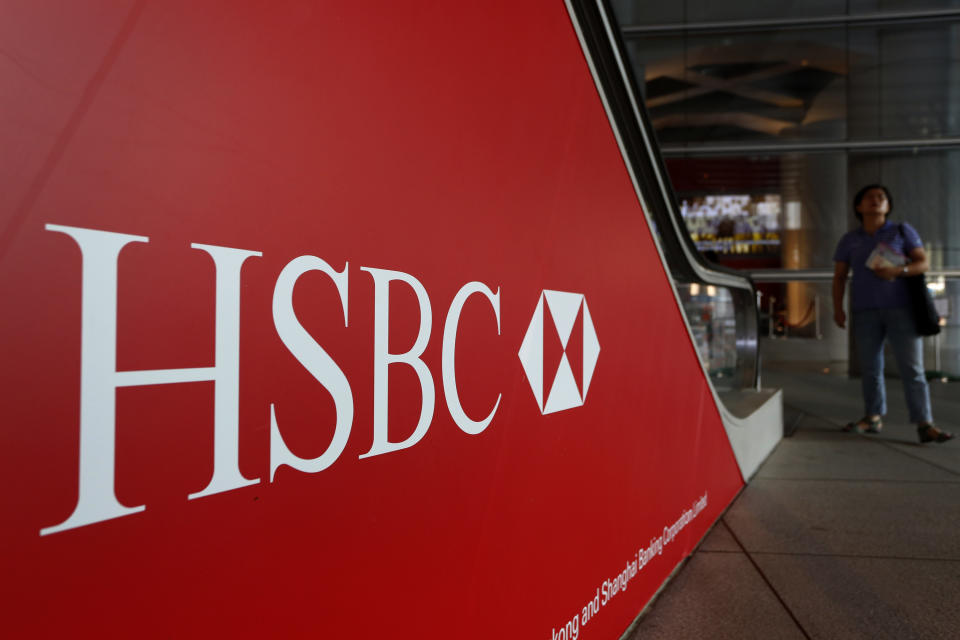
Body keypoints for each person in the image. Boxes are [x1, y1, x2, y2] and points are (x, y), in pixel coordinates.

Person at [832, 184, 953, 443]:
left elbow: (923, 262)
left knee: (913, 368)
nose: (876, 201)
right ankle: (873, 417)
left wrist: (899, 271)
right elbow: (840, 276)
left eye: (881, 197)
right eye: (869, 197)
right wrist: (837, 308)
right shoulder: (849, 239)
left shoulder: (901, 230)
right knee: (870, 367)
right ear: (858, 206)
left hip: (902, 309)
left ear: (888, 206)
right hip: (864, 311)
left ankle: (924, 423)